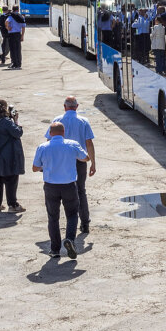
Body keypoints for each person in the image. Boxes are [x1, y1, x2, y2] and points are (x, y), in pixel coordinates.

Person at [32, 120, 87, 259]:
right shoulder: (72, 144)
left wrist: (46, 167)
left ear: (50, 134)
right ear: (64, 133)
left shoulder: (43, 147)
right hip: (69, 185)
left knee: (53, 218)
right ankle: (69, 239)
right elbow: (85, 158)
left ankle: (55, 249)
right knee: (72, 214)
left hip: (51, 186)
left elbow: (34, 167)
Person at [50, 96, 96, 234]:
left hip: (60, 161)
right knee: (80, 190)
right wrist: (93, 163)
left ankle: (60, 223)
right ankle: (85, 222)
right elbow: (89, 143)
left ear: (64, 107)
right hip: (79, 161)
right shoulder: (84, 121)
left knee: (60, 190)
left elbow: (49, 141)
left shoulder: (57, 121)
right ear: (77, 106)